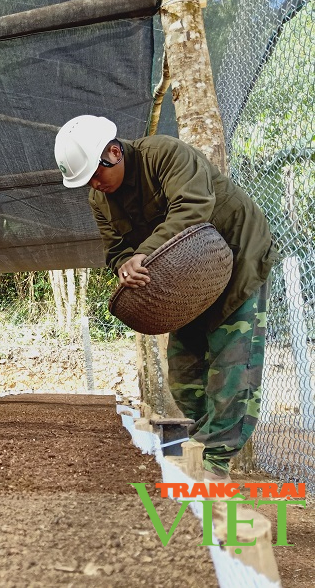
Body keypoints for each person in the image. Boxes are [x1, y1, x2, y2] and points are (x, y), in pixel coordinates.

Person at [54, 115, 276, 482]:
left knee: (232, 362)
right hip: (182, 280)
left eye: (96, 174)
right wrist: (125, 263)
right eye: (86, 181)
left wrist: (145, 251)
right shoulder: (100, 198)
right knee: (185, 371)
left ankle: (214, 462)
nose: (94, 185)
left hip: (237, 256)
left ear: (114, 152)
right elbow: (116, 250)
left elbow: (193, 208)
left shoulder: (165, 154)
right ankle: (196, 448)